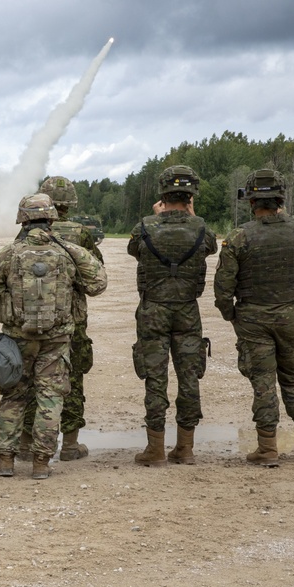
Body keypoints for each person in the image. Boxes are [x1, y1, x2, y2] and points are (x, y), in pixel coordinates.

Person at [0, 193, 107, 479]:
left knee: (13, 396)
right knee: (50, 398)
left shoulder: (9, 252)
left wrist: (10, 293)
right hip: (56, 340)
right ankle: (40, 463)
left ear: (22, 219)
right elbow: (98, 284)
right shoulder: (69, 251)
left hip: (17, 339)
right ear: (52, 219)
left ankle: (6, 461)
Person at [214, 169, 294, 466]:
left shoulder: (240, 237)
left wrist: (229, 313)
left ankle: (268, 449)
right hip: (290, 315)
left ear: (251, 201)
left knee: (263, 382)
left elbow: (224, 285)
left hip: (253, 317)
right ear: (281, 199)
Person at [127, 165, 217, 467]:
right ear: (191, 195)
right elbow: (211, 246)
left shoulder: (145, 226)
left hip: (153, 310)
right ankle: (185, 448)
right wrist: (190, 216)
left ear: (162, 193)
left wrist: (158, 216)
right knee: (189, 377)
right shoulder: (201, 227)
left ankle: (155, 449)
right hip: (187, 311)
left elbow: (133, 250)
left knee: (155, 378)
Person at [28, 175, 105, 462]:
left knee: (30, 380)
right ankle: (70, 445)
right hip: (72, 317)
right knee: (71, 378)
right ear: (70, 202)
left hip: (33, 316)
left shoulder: (26, 232)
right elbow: (94, 271)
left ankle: (26, 444)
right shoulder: (80, 233)